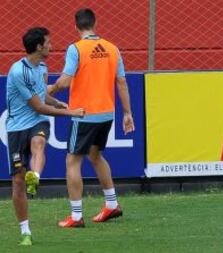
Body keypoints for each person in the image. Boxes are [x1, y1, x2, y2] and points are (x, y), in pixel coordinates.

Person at [48, 8, 135, 228]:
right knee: (96, 155)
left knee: (72, 160)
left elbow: (65, 81)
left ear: (75, 26)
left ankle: (76, 216)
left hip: (84, 115)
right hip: (106, 114)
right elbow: (122, 82)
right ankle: (112, 204)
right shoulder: (112, 48)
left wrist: (49, 91)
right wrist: (127, 113)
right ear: (95, 23)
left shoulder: (75, 49)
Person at [6, 27, 85, 246]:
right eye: (48, 43)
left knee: (39, 142)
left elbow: (42, 96)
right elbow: (38, 105)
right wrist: (68, 112)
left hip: (36, 123)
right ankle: (25, 231)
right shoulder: (18, 71)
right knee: (18, 181)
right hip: (15, 128)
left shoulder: (43, 67)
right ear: (39, 46)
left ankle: (37, 177)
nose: (52, 45)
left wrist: (57, 101)